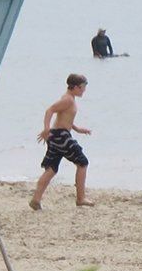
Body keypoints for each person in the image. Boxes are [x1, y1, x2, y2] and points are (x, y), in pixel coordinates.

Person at [30, 73, 94, 209]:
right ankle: (81, 198)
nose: (84, 90)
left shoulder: (69, 99)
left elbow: (65, 117)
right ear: (75, 87)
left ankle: (36, 199)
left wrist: (77, 129)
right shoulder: (68, 100)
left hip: (57, 135)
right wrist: (46, 128)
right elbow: (50, 110)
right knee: (83, 162)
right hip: (60, 136)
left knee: (51, 168)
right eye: (82, 87)